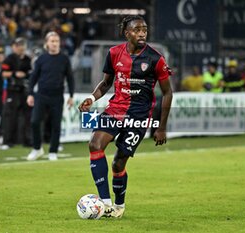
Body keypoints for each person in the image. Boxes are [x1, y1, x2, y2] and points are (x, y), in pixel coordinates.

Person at [78, 16, 173, 218]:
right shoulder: (113, 53)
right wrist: (91, 98)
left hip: (139, 115)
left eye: (144, 30)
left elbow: (167, 93)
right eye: (137, 30)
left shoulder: (156, 59)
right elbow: (105, 83)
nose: (142, 33)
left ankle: (119, 205)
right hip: (115, 109)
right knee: (95, 145)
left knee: (118, 163)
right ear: (127, 33)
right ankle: (105, 203)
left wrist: (162, 127)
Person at [26, 31, 74, 161]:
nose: (54, 43)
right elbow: (33, 77)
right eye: (52, 41)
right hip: (41, 95)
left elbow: (70, 78)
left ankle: (53, 151)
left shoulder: (64, 59)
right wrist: (30, 94)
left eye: (57, 41)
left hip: (57, 96)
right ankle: (37, 148)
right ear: (47, 43)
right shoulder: (41, 59)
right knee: (35, 121)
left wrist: (71, 96)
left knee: (55, 125)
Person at [0, 37, 32, 150]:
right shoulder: (9, 59)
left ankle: (27, 140)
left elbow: (30, 73)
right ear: (15, 47)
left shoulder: (27, 59)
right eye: (19, 46)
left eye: (23, 46)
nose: (21, 48)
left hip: (24, 90)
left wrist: (25, 75)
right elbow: (3, 73)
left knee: (27, 116)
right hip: (12, 90)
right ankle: (7, 141)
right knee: (10, 116)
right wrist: (14, 73)